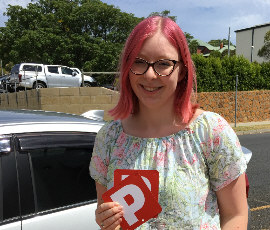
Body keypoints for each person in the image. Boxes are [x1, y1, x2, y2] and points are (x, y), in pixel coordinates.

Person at [90, 16, 248, 230]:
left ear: (182, 70)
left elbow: (236, 216)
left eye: (164, 64)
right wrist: (106, 220)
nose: (149, 74)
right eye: (138, 61)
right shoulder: (109, 138)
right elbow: (109, 217)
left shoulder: (211, 131)